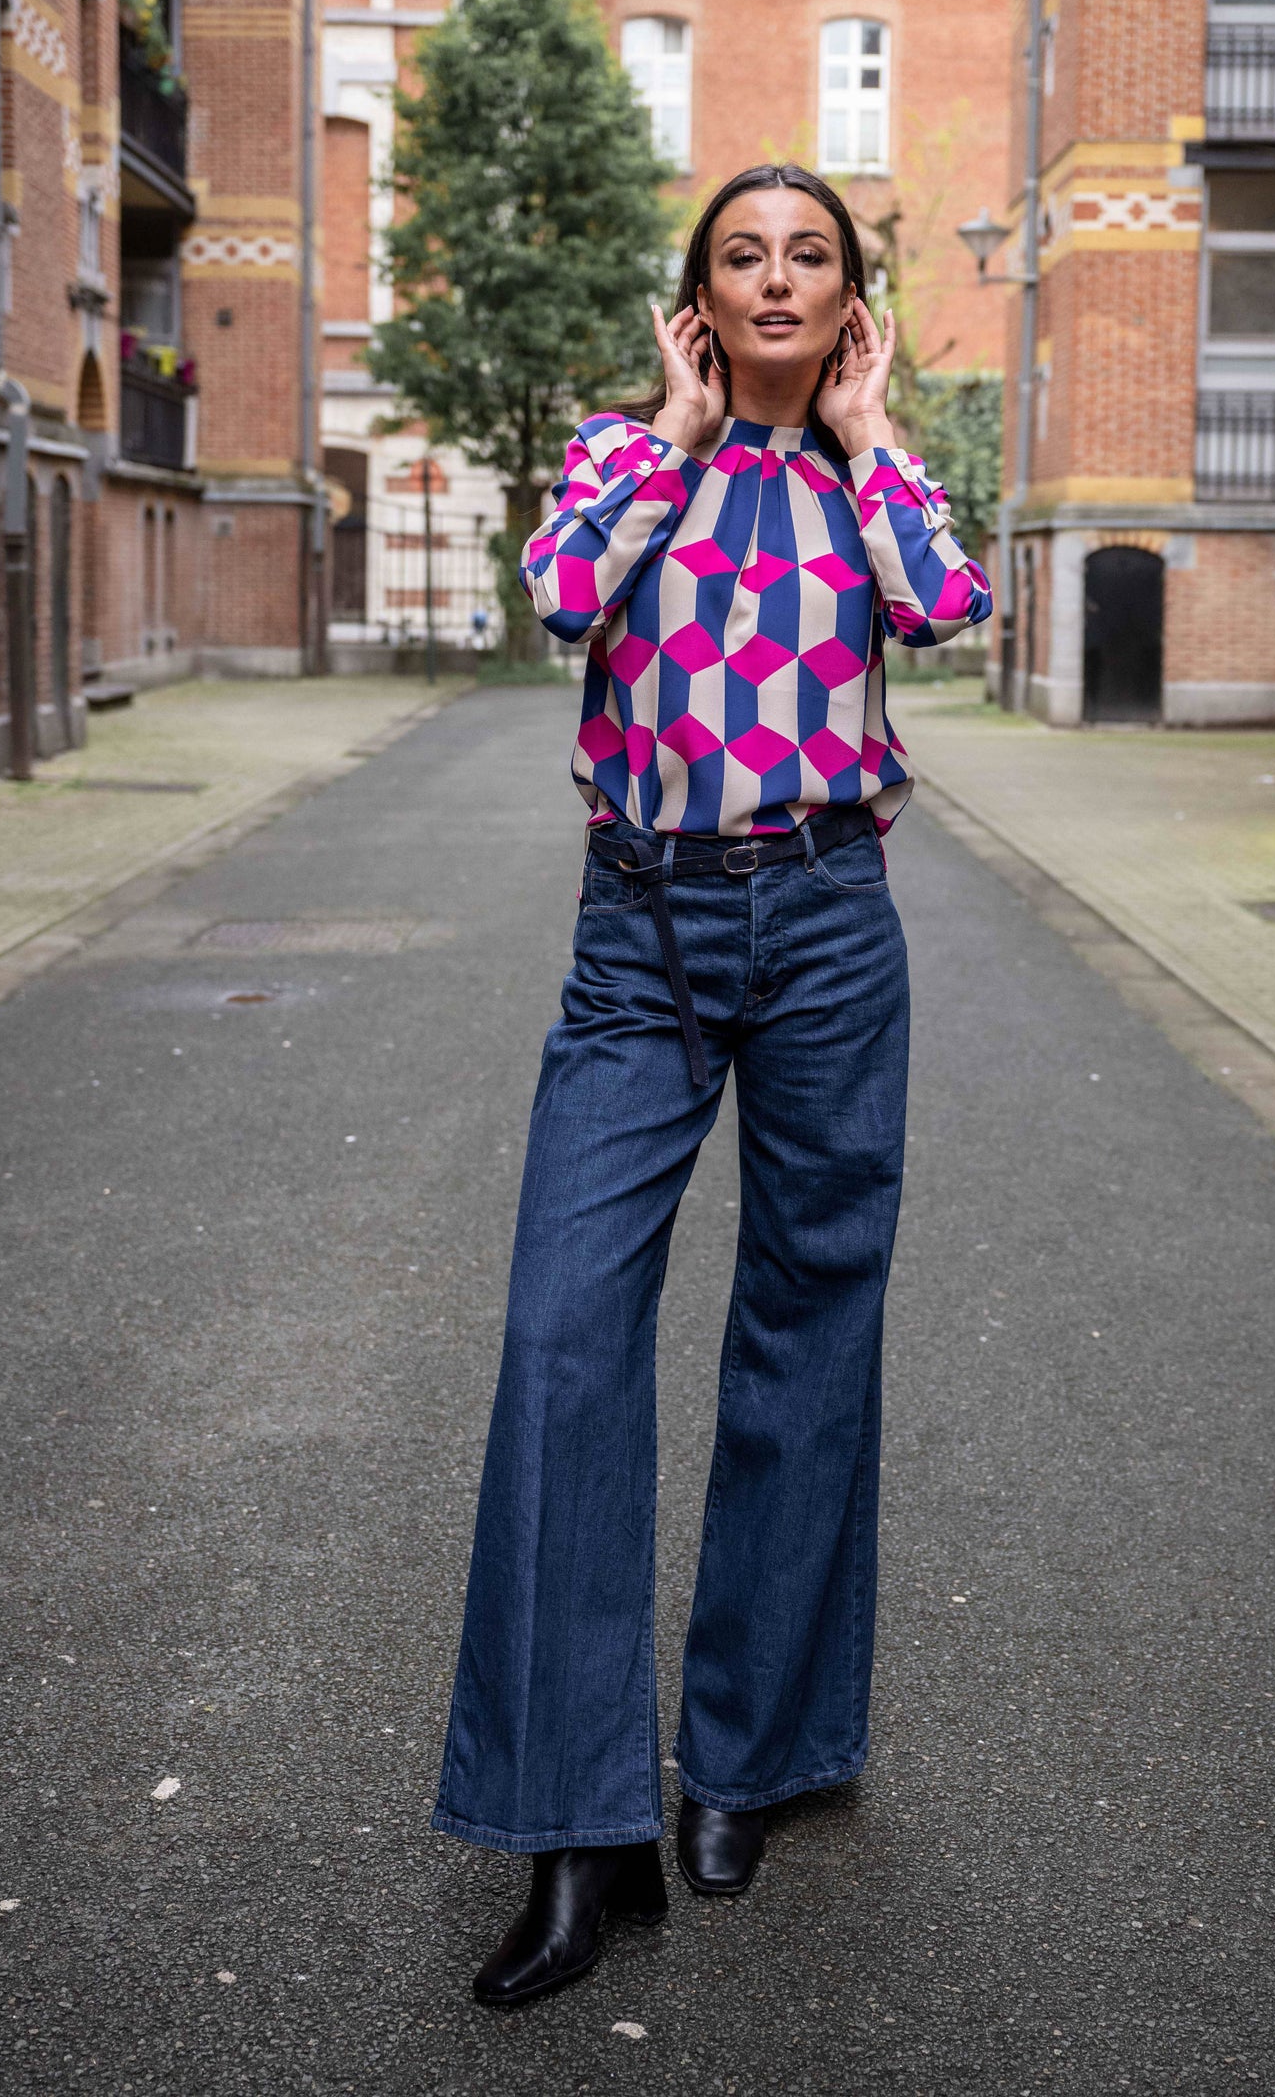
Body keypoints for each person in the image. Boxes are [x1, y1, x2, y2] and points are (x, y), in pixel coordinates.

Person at [432, 162, 992, 2007]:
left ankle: (752, 1760)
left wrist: (875, 426)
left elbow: (945, 608)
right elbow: (558, 597)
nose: (772, 279)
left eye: (806, 257)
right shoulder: (623, 456)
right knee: (562, 1335)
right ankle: (579, 1831)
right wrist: (673, 432)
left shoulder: (860, 472)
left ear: (849, 299)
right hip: (640, 937)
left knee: (808, 1327)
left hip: (831, 920)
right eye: (739, 256)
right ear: (696, 296)